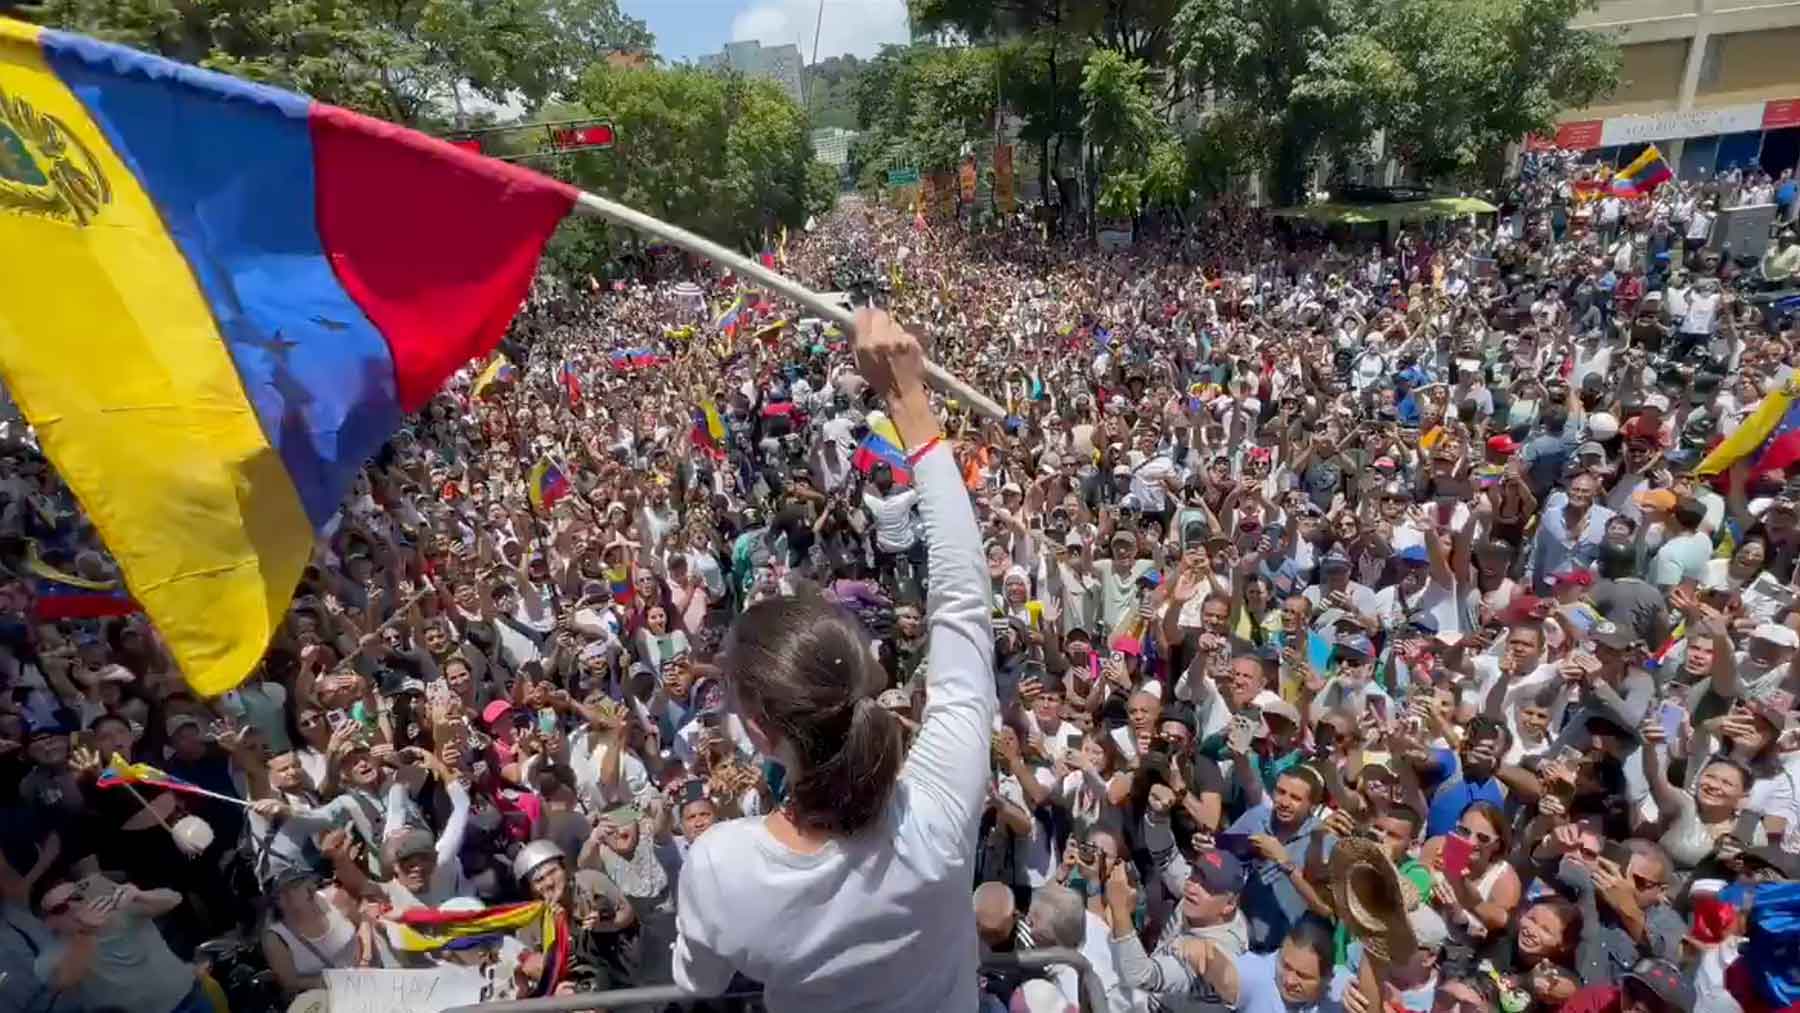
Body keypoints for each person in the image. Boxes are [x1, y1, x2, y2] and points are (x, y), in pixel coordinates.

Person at [670, 308, 996, 1008]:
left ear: (758, 730)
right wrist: (909, 400)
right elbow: (964, 602)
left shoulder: (722, 866)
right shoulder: (937, 808)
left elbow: (697, 982)